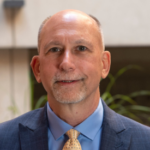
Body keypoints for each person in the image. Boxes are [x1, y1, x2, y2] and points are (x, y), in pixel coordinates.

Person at [0, 9, 150, 150]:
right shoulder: (3, 140)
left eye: (81, 48)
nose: (66, 63)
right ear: (37, 68)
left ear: (104, 64)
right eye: (54, 49)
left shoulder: (145, 142)